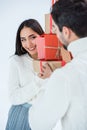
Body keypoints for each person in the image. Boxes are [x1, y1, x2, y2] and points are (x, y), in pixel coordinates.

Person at [29, 0, 87, 130]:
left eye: (55, 28)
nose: (55, 33)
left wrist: (48, 82)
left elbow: (38, 123)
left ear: (66, 32)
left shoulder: (65, 76)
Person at [5, 19, 52, 130]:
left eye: (32, 37)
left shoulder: (52, 61)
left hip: (43, 117)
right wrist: (39, 81)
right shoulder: (16, 61)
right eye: (23, 40)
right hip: (22, 116)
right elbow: (13, 97)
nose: (28, 44)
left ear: (41, 36)